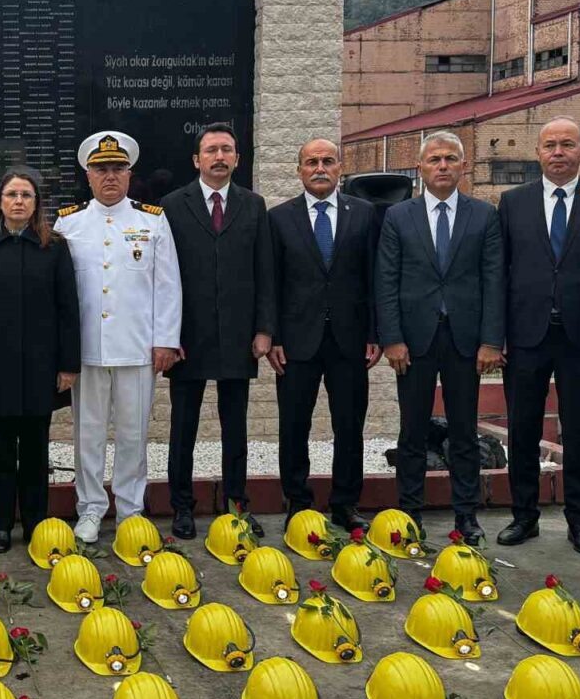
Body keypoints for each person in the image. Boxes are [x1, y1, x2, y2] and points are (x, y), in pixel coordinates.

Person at [376, 130, 504, 545]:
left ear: (464, 165)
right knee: (412, 429)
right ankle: (410, 512)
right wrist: (392, 338)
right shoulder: (398, 217)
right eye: (434, 159)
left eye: (450, 158)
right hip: (413, 342)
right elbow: (386, 280)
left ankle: (466, 514)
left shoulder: (483, 216)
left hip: (465, 341)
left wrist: (491, 341)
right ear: (420, 167)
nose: (443, 165)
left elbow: (494, 281)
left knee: (463, 431)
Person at [54, 132, 182, 544]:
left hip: (136, 346)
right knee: (88, 435)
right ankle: (90, 508)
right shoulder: (68, 222)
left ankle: (130, 509)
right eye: (101, 169)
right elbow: (57, 291)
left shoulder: (152, 220)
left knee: (133, 434)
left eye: (117, 169)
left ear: (129, 174)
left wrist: (165, 340)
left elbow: (167, 286)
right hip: (87, 350)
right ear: (88, 176)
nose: (109, 176)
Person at [497, 117, 580, 556]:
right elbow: (499, 273)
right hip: (525, 336)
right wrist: (496, 335)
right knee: (522, 429)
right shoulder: (513, 202)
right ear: (537, 153)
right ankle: (523, 516)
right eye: (550, 145)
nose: (558, 152)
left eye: (567, 144)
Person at [0, 167, 81, 553]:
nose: (19, 201)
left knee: (36, 451)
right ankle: (2, 526)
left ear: (36, 203)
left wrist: (69, 364)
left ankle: (35, 523)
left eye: (26, 195)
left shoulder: (54, 247)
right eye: (12, 194)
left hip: (42, 368)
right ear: (0, 201)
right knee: (0, 452)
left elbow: (68, 309)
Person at [162, 123, 275, 539]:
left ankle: (236, 505)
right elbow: (163, 276)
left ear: (237, 159)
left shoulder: (253, 205)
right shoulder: (172, 205)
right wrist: (167, 336)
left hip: (238, 336)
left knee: (235, 428)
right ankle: (181, 507)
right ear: (197, 160)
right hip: (187, 337)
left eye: (227, 149)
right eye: (211, 150)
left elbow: (265, 271)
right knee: (183, 428)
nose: (219, 157)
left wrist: (264, 329)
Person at [267, 138, 380, 532]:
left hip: (350, 340)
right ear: (299, 170)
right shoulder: (279, 218)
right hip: (296, 341)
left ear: (340, 168)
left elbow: (374, 278)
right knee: (293, 426)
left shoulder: (365, 214)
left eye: (327, 161)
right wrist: (273, 336)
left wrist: (374, 332)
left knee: (349, 426)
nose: (319, 168)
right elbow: (271, 282)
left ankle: (345, 504)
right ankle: (298, 503)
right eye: (311, 162)